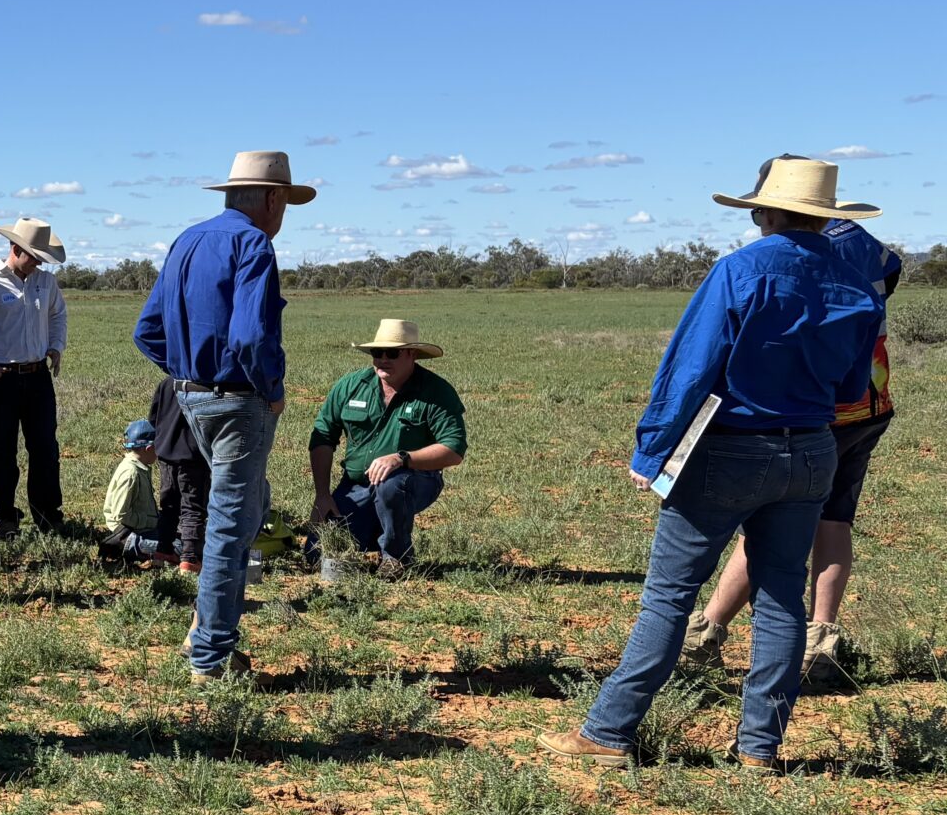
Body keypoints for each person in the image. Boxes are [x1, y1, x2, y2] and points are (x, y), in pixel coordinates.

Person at [542, 155, 883, 772]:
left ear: (767, 210)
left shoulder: (739, 270)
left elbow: (690, 367)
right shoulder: (857, 284)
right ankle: (760, 748)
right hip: (811, 450)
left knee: (670, 596)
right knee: (782, 599)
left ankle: (608, 733)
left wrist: (651, 448)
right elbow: (852, 384)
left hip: (730, 446)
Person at [686, 170, 903, 689]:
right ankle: (821, 642)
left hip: (809, 408)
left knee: (767, 521)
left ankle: (705, 634)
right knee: (834, 521)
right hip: (869, 399)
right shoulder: (867, 245)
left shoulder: (797, 252)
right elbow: (889, 281)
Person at [134, 150, 309, 680]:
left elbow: (148, 330)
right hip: (239, 401)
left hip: (193, 397)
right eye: (286, 203)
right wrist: (269, 387)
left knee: (248, 508)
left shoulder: (187, 239)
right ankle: (209, 655)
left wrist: (191, 375)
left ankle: (204, 627)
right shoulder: (253, 242)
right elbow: (253, 336)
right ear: (273, 198)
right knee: (231, 525)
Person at [306, 317, 468, 576]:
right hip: (356, 485)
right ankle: (376, 529)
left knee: (391, 485)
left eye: (391, 353)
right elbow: (323, 436)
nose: (382, 359)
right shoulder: (351, 386)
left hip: (414, 480)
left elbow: (454, 448)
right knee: (317, 552)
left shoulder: (436, 391)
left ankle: (397, 556)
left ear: (411, 354)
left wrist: (402, 459)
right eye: (376, 352)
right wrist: (322, 494)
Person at [0, 216, 70, 537]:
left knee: (45, 448)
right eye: (34, 257)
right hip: (1, 380)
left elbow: (58, 315)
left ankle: (48, 515)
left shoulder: (46, 283)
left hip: (37, 375)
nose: (38, 263)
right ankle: (5, 516)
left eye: (41, 259)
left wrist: (55, 346)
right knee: (1, 451)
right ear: (15, 249)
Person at [146, 373, 207, 575]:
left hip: (165, 454)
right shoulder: (202, 385)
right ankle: (190, 558)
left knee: (168, 505)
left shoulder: (166, 383)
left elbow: (153, 419)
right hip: (192, 457)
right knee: (193, 507)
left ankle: (163, 551)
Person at [100, 419, 164, 561]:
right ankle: (125, 547)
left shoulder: (140, 467)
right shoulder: (131, 474)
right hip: (127, 532)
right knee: (173, 548)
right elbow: (120, 516)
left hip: (141, 527)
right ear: (148, 448)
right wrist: (151, 522)